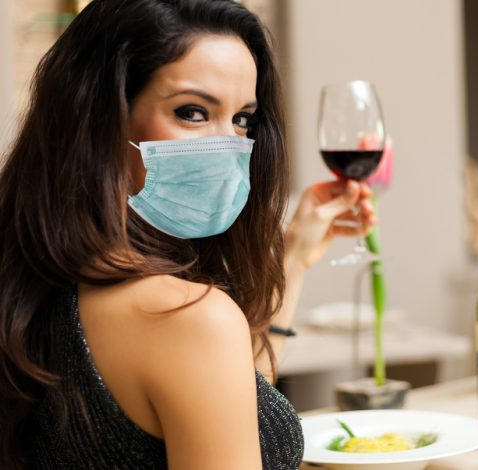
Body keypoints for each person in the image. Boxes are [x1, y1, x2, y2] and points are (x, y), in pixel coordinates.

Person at [0, 1, 377, 468]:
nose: (227, 146)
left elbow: (218, 402)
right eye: (193, 112)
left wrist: (294, 259)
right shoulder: (186, 318)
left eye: (243, 119)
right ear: (100, 119)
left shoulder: (36, 282)